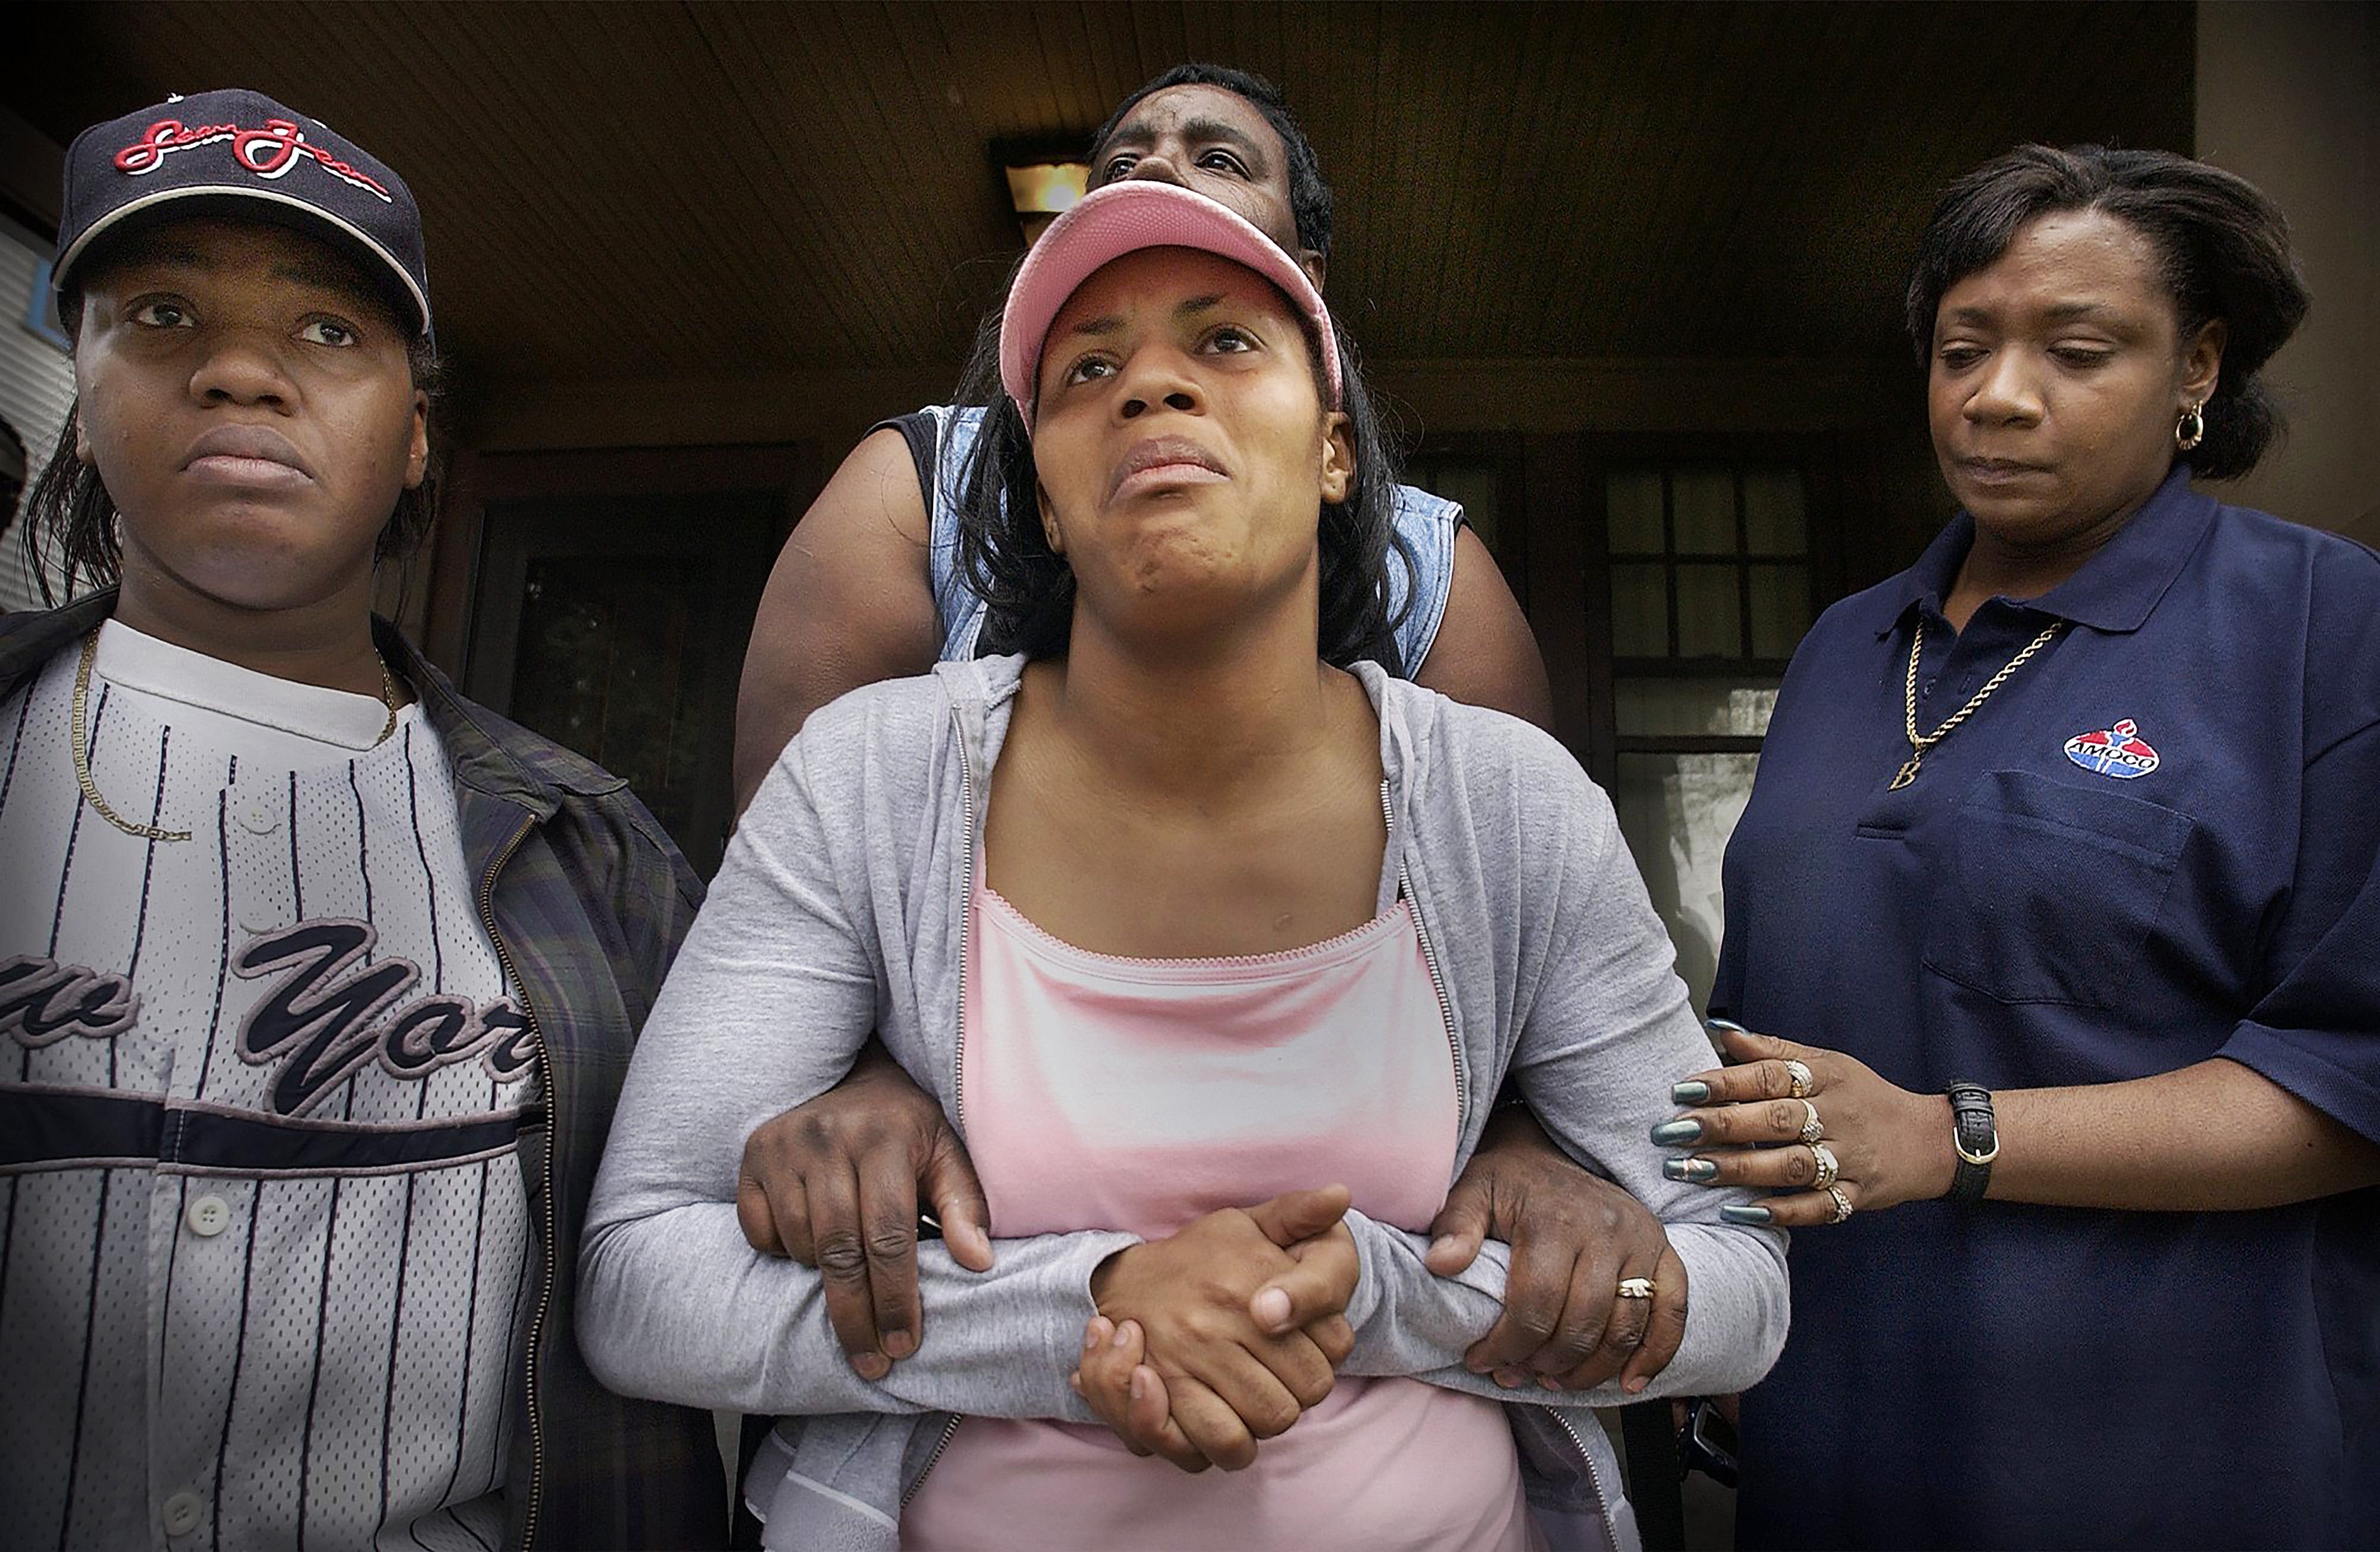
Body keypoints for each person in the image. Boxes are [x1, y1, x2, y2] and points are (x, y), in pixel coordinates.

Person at [578, 179, 1789, 1551]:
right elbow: (639, 1277)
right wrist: (1085, 1304)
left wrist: (1370, 1291)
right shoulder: (870, 777)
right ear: (1039, 494)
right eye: (1088, 366)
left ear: (1334, 450)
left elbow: (1742, 1273)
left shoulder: (1508, 804)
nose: (1149, 385)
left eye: (1223, 343)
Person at [728, 64, 1681, 1425]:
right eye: (1124, 153)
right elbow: (793, 887)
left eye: (1217, 155)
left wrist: (1525, 1135)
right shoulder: (915, 486)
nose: (1156, 166)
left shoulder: (1434, 571)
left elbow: (1521, 956)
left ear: (1305, 285)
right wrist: (878, 1069)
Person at [0, 90, 724, 1548]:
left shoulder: (590, 854)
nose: (241, 373)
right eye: (160, 313)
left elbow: (722, 1244)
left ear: (414, 437)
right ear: (79, 394)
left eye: (329, 331)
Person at [1649, 144, 2380, 1548]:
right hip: (1830, 1445)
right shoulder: (1840, 646)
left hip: (2169, 1461)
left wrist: (1945, 1135)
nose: (1994, 393)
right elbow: (1764, 1048)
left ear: (2195, 370)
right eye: (1959, 346)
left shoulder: (2320, 628)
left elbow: (2352, 1080)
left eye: (2077, 348)